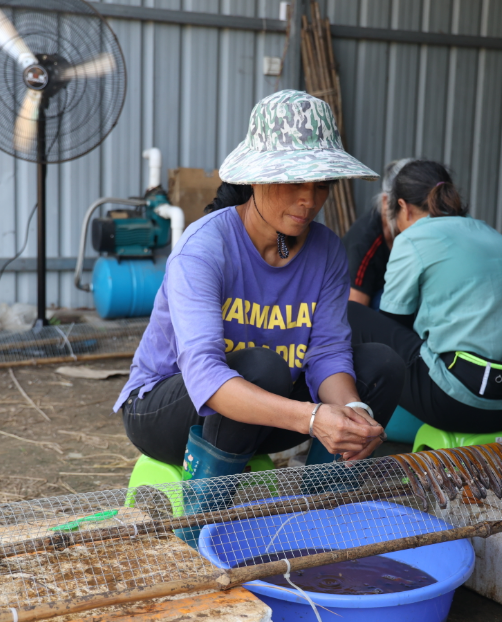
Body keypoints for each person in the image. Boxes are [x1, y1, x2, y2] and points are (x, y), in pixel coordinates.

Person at [115, 90, 404, 526]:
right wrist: (311, 418)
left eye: (321, 183)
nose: (308, 199)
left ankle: (321, 520)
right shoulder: (205, 246)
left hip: (265, 407)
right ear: (256, 179)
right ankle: (201, 527)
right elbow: (206, 377)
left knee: (382, 364)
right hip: (166, 409)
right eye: (293, 181)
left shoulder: (324, 248)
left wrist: (351, 414)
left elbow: (326, 353)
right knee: (260, 366)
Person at [348, 160, 502, 434]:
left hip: (466, 403)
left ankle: (346, 439)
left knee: (350, 314)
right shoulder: (493, 234)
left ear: (403, 207)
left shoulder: (413, 237)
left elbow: (393, 329)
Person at [342, 158, 414, 307]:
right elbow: (355, 310)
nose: (412, 216)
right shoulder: (364, 240)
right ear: (386, 202)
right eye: (405, 206)